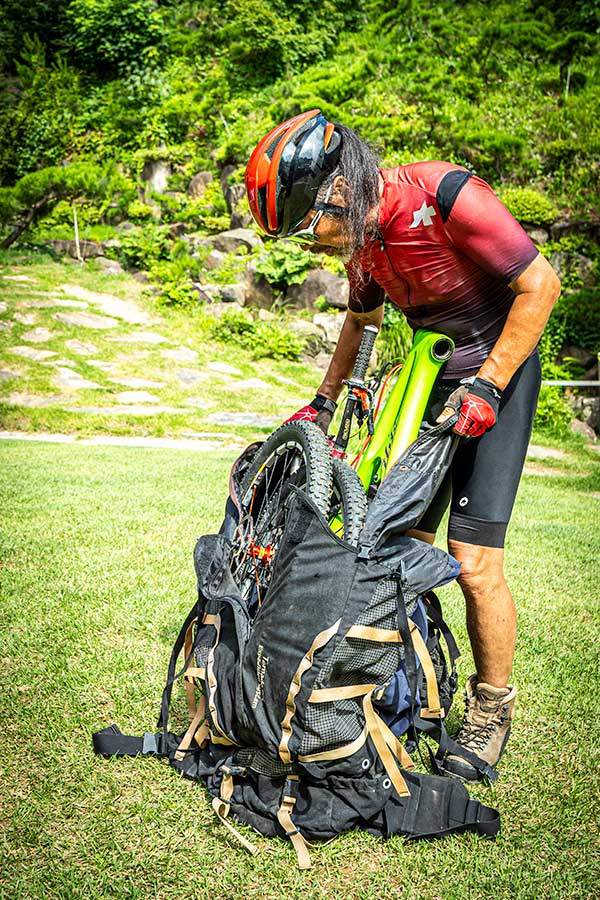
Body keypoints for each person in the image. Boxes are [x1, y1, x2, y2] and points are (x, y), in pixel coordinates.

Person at [244, 109, 561, 781]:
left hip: (497, 370)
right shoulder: (362, 240)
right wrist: (323, 403)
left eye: (306, 224)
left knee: (473, 562)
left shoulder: (442, 195)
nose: (311, 242)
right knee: (390, 546)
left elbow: (541, 284)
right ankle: (397, 685)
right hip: (427, 375)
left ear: (338, 187)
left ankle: (490, 709)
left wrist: (489, 385)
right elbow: (361, 322)